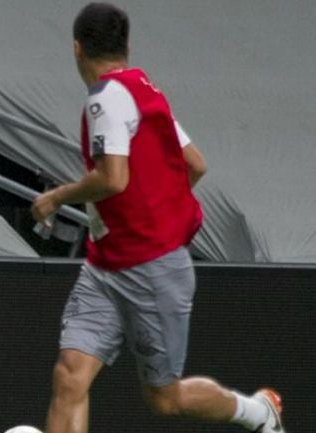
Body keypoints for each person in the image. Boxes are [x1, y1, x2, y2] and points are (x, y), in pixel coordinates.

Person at [31, 4, 285, 433]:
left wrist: (57, 196)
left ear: (76, 49)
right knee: (69, 375)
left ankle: (259, 412)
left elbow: (113, 179)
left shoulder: (105, 101)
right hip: (104, 265)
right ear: (126, 46)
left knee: (165, 400)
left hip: (151, 271)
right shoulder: (145, 90)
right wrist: (159, 213)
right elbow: (195, 164)